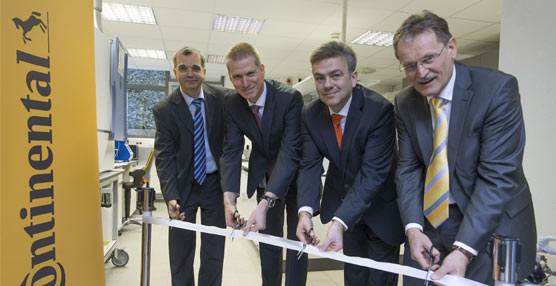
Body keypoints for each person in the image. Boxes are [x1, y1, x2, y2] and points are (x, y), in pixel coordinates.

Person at [393, 10, 537, 285]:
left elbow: (496, 178)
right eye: (410, 65)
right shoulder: (405, 102)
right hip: (432, 223)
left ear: (452, 47)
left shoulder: (496, 90)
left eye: (429, 59)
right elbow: (408, 169)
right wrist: (413, 229)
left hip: (491, 222)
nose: (421, 72)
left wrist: (464, 249)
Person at [296, 40, 404, 286]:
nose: (327, 85)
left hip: (381, 209)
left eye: (335, 75)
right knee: (354, 277)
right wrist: (305, 212)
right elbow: (310, 165)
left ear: (353, 77)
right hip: (346, 207)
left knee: (380, 280)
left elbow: (373, 173)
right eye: (320, 78)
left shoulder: (379, 110)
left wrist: (339, 221)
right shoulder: (311, 114)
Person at [219, 42, 307, 286]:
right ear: (230, 77)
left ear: (262, 70)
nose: (245, 83)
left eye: (250, 74)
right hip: (264, 174)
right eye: (237, 76)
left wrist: (267, 201)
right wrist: (229, 200)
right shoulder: (232, 103)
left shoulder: (289, 98)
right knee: (268, 241)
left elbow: (290, 152)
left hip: (297, 176)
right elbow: (232, 149)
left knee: (297, 242)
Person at [153, 46, 227, 286]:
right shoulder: (164, 110)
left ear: (204, 71)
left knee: (214, 249)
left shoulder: (222, 99)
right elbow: (164, 156)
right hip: (183, 186)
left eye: (195, 68)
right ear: (175, 72)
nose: (190, 73)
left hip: (214, 184)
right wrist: (171, 196)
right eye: (183, 68)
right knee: (181, 251)